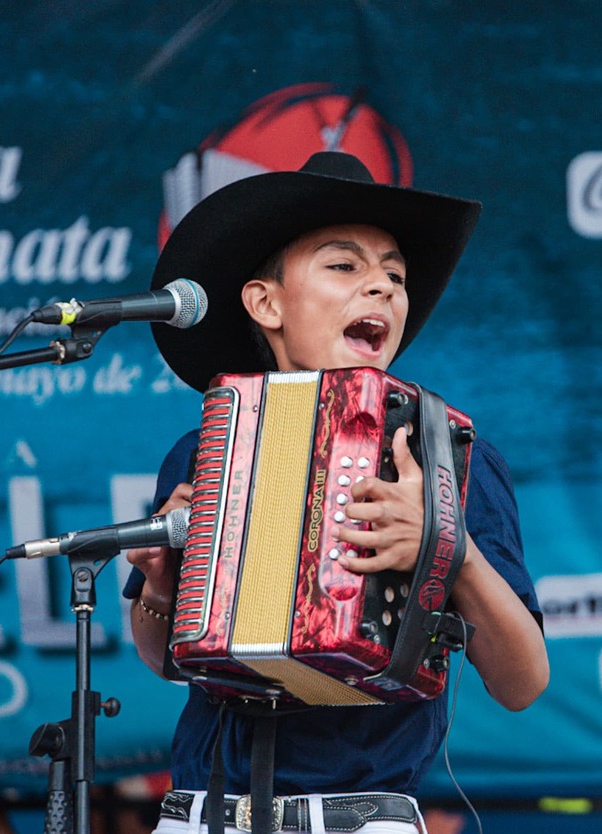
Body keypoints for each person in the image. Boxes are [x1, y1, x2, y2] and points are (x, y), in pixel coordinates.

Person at [123, 151, 549, 834]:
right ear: (266, 303)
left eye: (395, 276)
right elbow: (166, 662)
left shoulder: (447, 455)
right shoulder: (205, 447)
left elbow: (522, 683)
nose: (381, 288)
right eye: (345, 266)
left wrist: (450, 548)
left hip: (356, 817)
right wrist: (159, 586)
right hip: (198, 815)